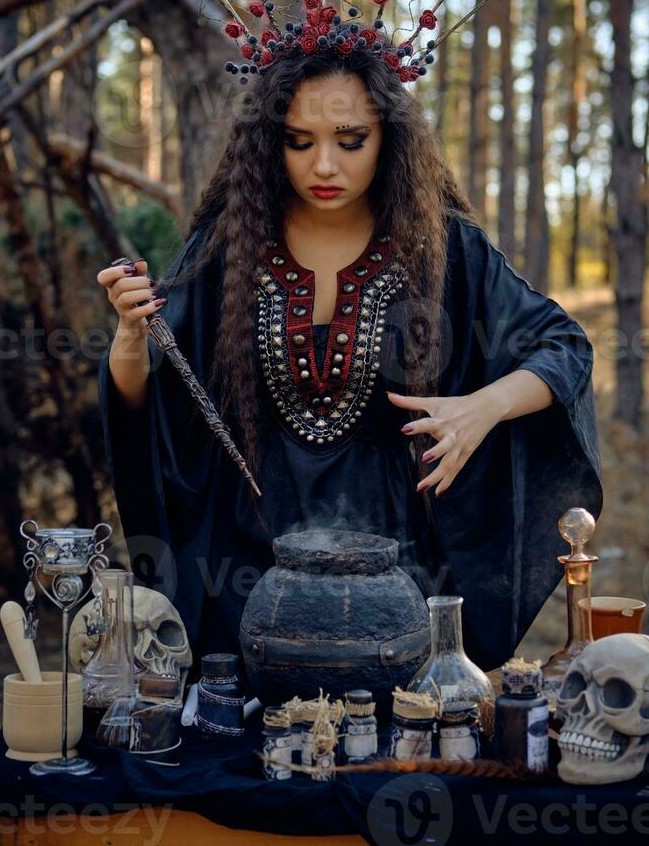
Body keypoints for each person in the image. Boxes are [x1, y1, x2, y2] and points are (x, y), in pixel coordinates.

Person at [96, 42, 603, 682]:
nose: (324, 164)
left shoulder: (444, 249)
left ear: (389, 138)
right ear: (268, 143)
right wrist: (129, 340)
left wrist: (483, 408)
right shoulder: (230, 247)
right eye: (299, 141)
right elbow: (157, 415)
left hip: (402, 579)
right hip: (247, 577)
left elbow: (564, 348)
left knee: (398, 736)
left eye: (350, 139)